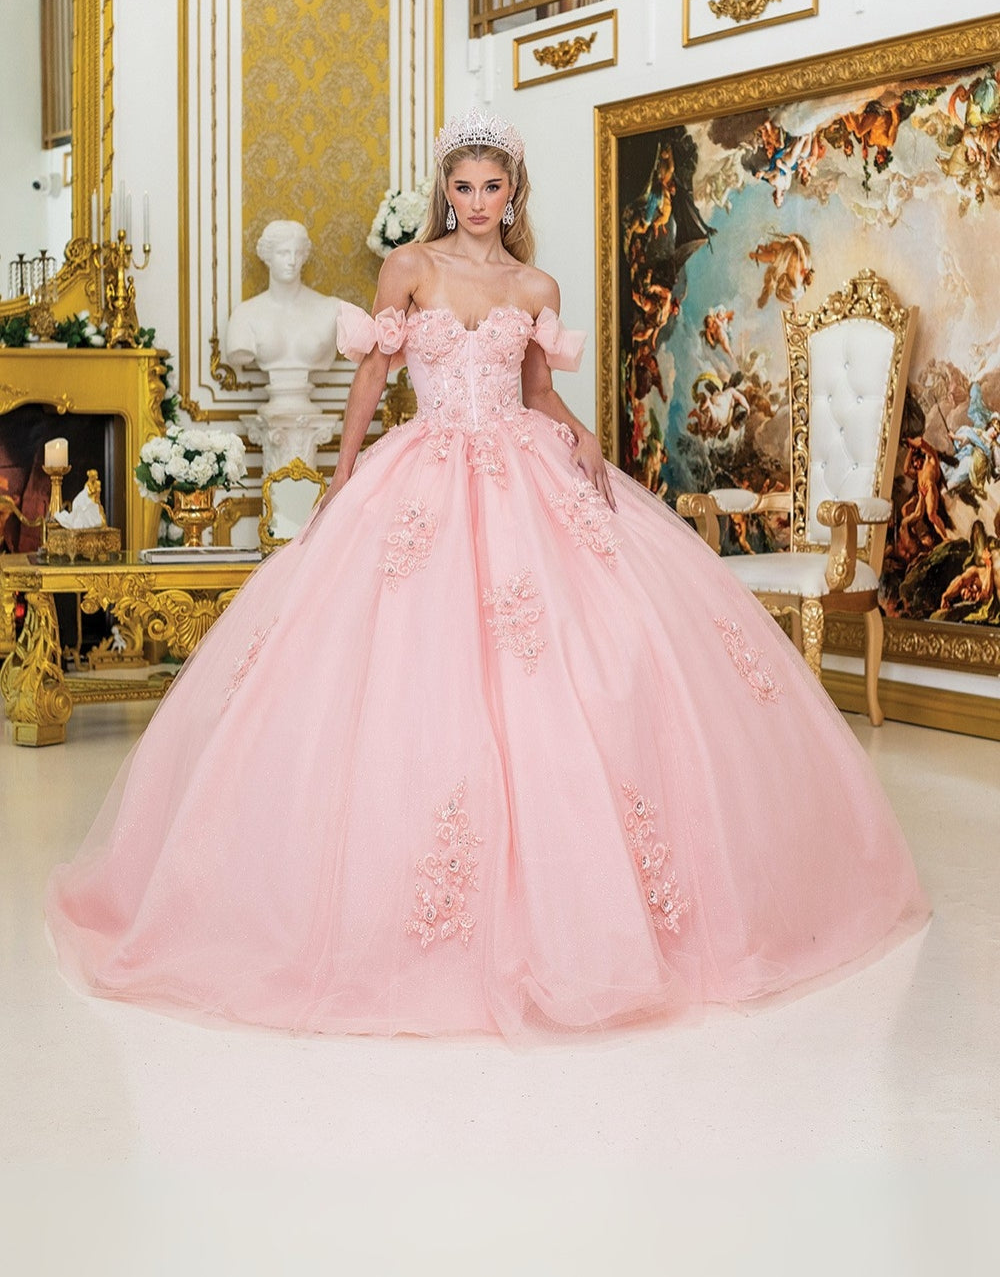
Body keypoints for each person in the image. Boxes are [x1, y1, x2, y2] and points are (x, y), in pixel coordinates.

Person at [45, 111, 927, 1041]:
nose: (474, 203)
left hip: (524, 465)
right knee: (400, 665)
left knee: (588, 656)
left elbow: (539, 391)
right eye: (460, 187)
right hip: (422, 469)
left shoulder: (534, 283)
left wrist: (582, 436)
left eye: (490, 187)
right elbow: (376, 377)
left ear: (514, 192)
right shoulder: (411, 268)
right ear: (445, 192)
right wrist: (343, 475)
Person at [225, 220, 342, 391]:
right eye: (283, 253)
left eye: (298, 253)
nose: (292, 261)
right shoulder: (244, 314)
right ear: (267, 257)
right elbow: (237, 352)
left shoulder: (330, 308)